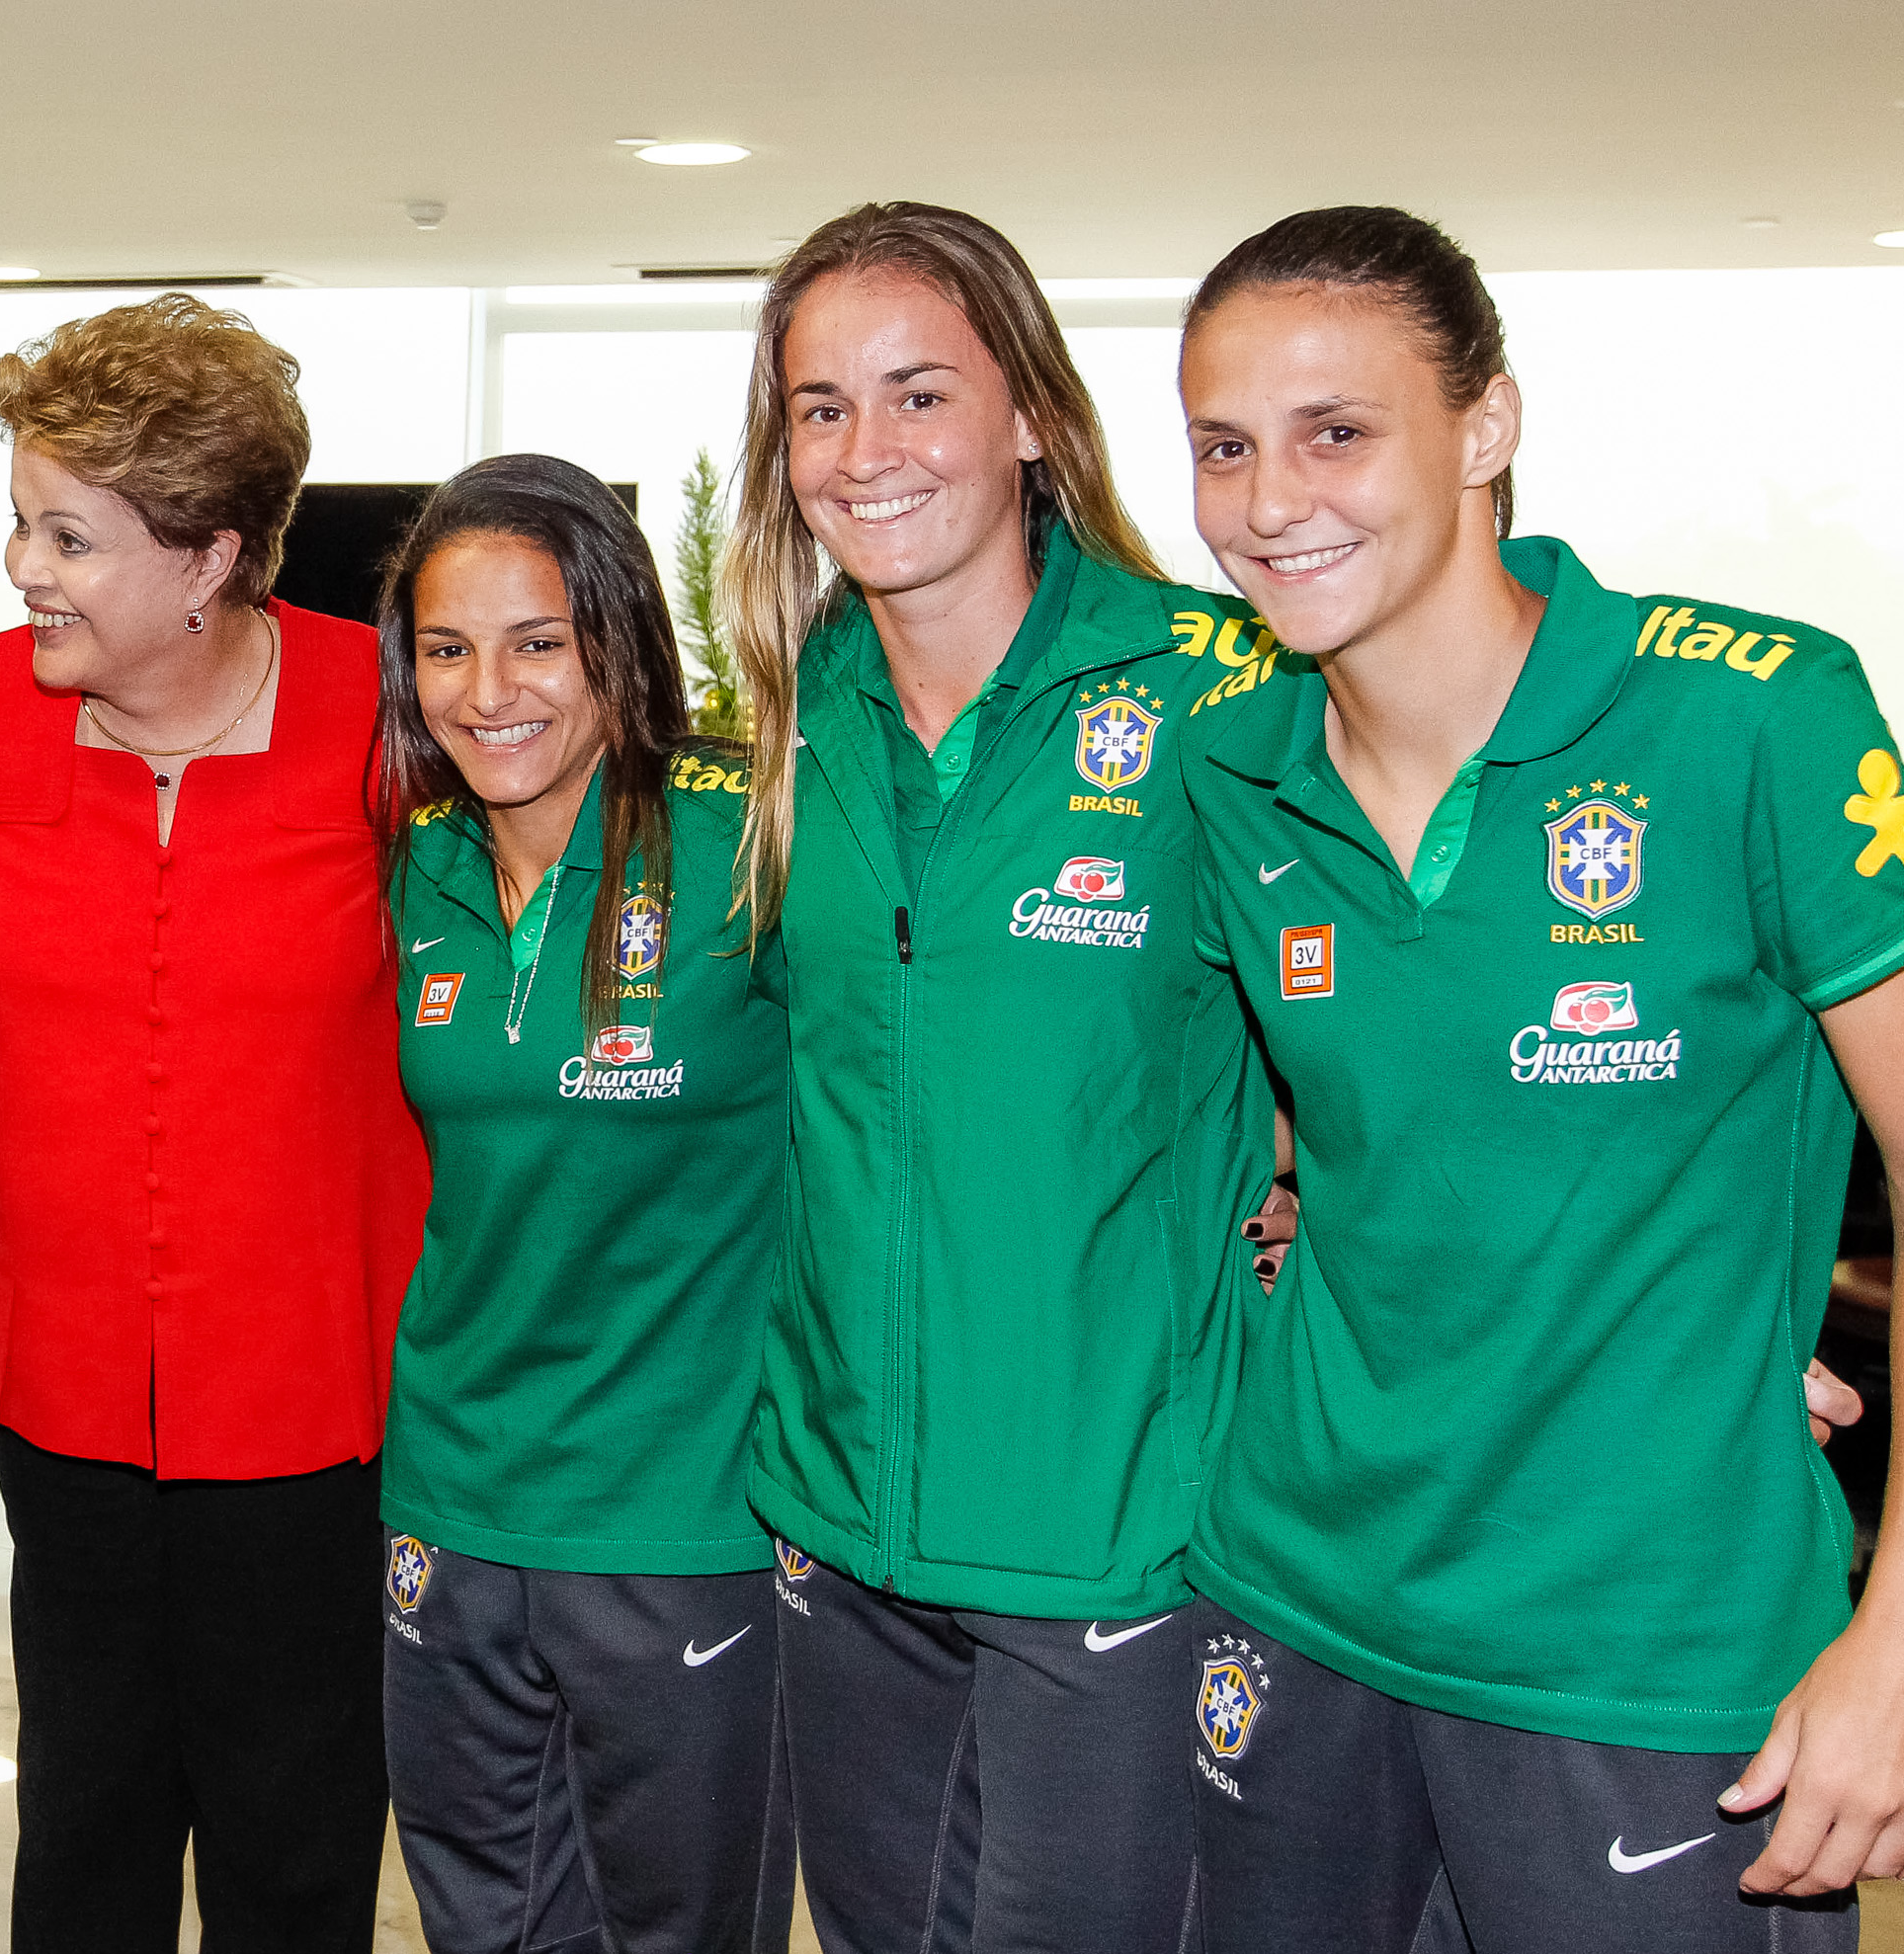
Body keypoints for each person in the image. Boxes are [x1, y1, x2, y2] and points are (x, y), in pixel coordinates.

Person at [1175, 204, 1904, 1953]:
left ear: (1483, 427)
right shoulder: (1230, 772)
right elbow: (1325, 1138)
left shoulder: (1756, 717)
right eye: (1221, 446)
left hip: (1644, 1655)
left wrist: (1893, 1641)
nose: (1270, 502)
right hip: (1288, 1603)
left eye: (1334, 431)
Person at [730, 203, 1277, 1952]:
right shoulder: (790, 716)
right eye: (819, 407)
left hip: (1106, 1535)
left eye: (916, 395)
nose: (863, 453)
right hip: (836, 1525)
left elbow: (1409, 1040)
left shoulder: (1219, 696)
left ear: (1029, 413)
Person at [0, 294, 422, 1950]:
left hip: (315, 1389)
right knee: (87, 1810)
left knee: (297, 1822)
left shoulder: (396, 720)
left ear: (207, 558)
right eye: (20, 521)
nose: (20, 567)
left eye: (67, 535)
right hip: (58, 1383)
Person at [370, 452, 798, 1953]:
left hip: (681, 1516)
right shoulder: (410, 863)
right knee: (483, 1922)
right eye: (444, 647)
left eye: (535, 640)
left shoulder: (756, 838)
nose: (487, 689)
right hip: (448, 1502)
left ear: (616, 637)